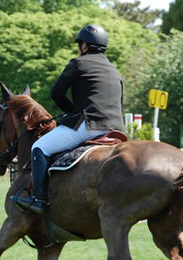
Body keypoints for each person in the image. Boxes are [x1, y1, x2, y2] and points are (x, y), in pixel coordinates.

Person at [12, 24, 125, 213]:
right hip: (116, 128)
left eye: (80, 45)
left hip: (89, 125)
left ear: (85, 46)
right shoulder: (115, 71)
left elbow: (56, 93)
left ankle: (38, 200)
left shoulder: (78, 63)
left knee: (39, 147)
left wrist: (71, 111)